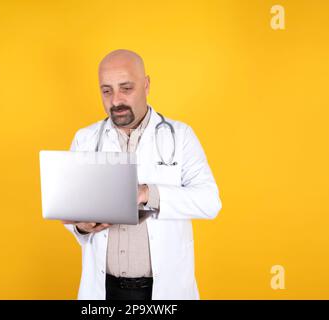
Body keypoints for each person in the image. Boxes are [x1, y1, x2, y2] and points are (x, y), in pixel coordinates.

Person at [62, 49, 222, 300]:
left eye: (126, 88)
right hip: (104, 290)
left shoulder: (180, 136)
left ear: (146, 85)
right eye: (107, 90)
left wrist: (147, 193)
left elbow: (210, 202)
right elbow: (73, 212)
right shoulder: (85, 139)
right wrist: (81, 228)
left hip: (164, 291)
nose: (116, 100)